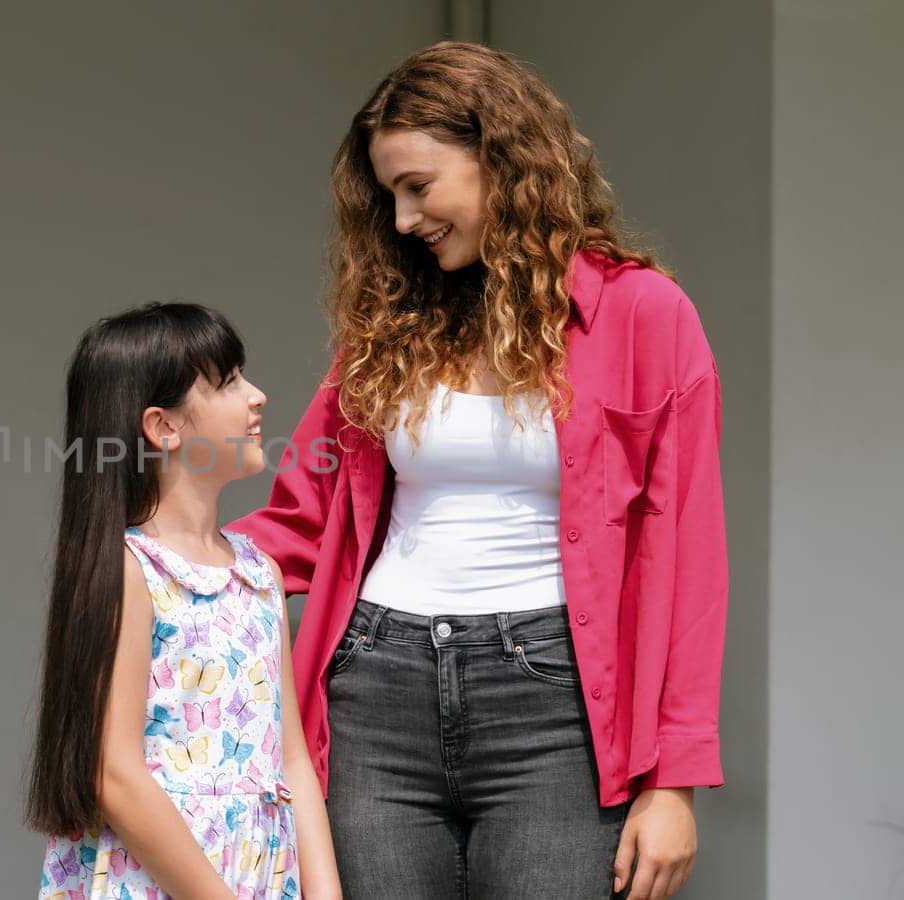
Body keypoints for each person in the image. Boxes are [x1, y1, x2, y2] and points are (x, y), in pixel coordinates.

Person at [228, 42, 729, 899]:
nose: (401, 220)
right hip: (377, 693)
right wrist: (166, 565)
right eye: (388, 194)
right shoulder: (387, 329)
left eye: (418, 186)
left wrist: (674, 781)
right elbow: (303, 516)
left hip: (556, 711)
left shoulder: (644, 314)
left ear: (500, 158)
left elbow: (689, 555)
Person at [26, 302, 341, 899]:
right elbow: (115, 773)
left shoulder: (258, 573)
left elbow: (292, 762)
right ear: (163, 427)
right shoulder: (132, 572)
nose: (257, 397)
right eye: (227, 382)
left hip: (262, 875)